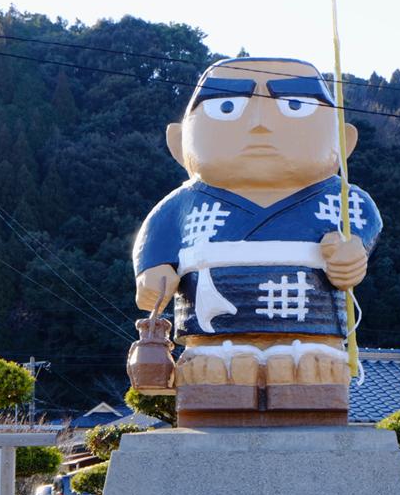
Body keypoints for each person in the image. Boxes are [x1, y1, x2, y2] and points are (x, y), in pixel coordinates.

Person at [132, 57, 381, 423]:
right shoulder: (184, 203)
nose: (260, 125)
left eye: (296, 106)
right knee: (214, 378)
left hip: (312, 329)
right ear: (178, 141)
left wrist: (351, 256)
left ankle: (309, 376)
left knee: (310, 374)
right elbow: (153, 258)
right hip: (212, 335)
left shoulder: (343, 200)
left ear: (344, 141)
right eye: (227, 106)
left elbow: (362, 237)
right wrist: (153, 278)